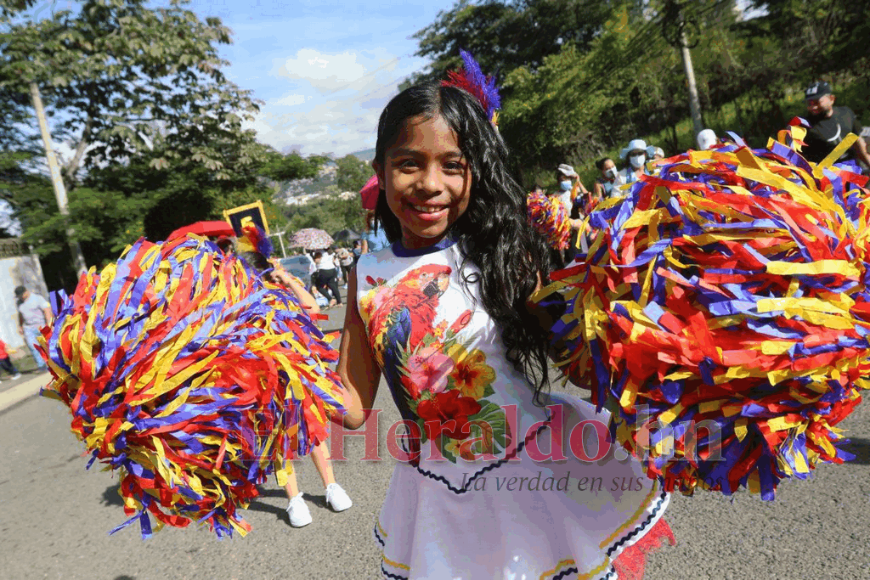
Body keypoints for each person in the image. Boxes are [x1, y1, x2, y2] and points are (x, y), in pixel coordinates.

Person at [335, 79, 671, 578]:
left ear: (475, 172)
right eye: (409, 163)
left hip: (533, 476)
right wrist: (278, 377)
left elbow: (580, 365)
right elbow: (352, 406)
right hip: (437, 497)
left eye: (453, 165)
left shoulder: (502, 254)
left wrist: (656, 352)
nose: (430, 183)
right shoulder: (367, 274)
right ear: (380, 172)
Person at [237, 252, 354, 527]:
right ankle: (294, 498)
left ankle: (331, 486)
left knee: (313, 433)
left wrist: (288, 280)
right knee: (278, 439)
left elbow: (312, 310)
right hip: (262, 384)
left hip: (297, 378)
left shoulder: (281, 294)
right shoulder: (238, 304)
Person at [802, 81, 870, 169]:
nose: (813, 107)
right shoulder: (805, 125)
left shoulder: (846, 113)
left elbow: (857, 142)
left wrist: (868, 162)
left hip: (853, 169)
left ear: (831, 99)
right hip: (823, 173)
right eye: (809, 104)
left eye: (817, 102)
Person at [15, 285, 50, 371]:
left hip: (40, 325)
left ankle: (53, 363)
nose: (21, 297)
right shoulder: (19, 302)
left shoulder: (37, 298)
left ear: (26, 291)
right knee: (32, 346)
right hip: (28, 327)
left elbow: (47, 310)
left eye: (22, 295)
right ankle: (41, 365)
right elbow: (20, 314)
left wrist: (49, 323)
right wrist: (20, 326)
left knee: (46, 345)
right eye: (19, 296)